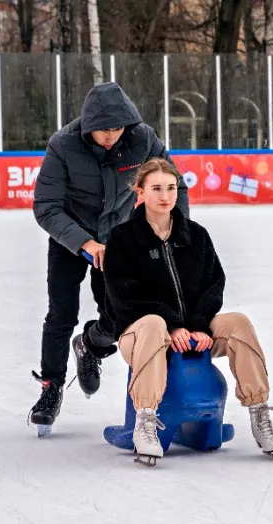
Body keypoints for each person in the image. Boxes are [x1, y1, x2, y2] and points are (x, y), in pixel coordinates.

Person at [30, 82, 188, 435]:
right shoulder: (63, 144)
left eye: (117, 128)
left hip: (118, 236)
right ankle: (51, 387)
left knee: (121, 314)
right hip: (70, 237)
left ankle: (90, 344)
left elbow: (175, 184)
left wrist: (178, 232)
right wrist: (85, 243)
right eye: (103, 129)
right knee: (61, 314)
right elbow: (46, 207)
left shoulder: (143, 139)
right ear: (88, 126)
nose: (111, 136)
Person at [102, 158, 273, 467]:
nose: (165, 196)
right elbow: (123, 299)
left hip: (193, 333)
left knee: (238, 323)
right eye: (156, 188)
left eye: (171, 188)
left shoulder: (195, 235)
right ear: (140, 191)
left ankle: (259, 411)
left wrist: (201, 326)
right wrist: (172, 325)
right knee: (153, 324)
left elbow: (215, 284)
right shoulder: (122, 240)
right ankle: (146, 421)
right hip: (142, 335)